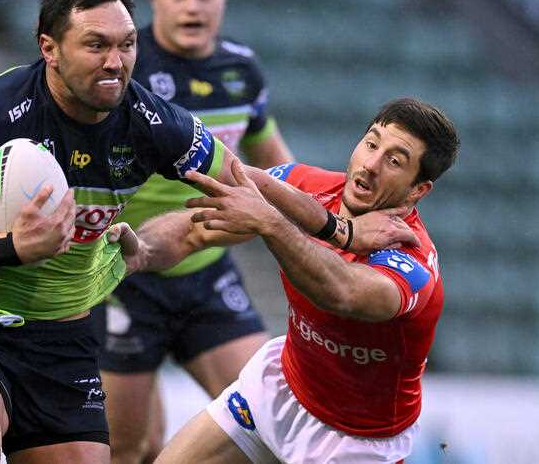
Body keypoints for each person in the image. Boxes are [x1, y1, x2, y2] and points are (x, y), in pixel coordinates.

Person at [0, 0, 248, 464]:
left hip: (64, 342)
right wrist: (7, 246)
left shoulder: (153, 122)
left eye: (127, 45)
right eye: (96, 45)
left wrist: (337, 221)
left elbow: (248, 189)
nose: (115, 62)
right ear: (50, 49)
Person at [114, 97, 460, 463]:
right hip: (278, 388)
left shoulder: (413, 259)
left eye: (394, 161)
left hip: (355, 440)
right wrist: (140, 253)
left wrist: (271, 222)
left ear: (418, 189)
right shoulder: (305, 187)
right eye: (372, 143)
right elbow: (193, 231)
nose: (371, 164)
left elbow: (342, 292)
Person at [88, 0, 294, 463]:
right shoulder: (122, 70)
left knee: (277, 432)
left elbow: (279, 169)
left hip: (207, 276)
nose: (193, 6)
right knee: (130, 448)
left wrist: (342, 225)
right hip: (124, 277)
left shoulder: (241, 71)